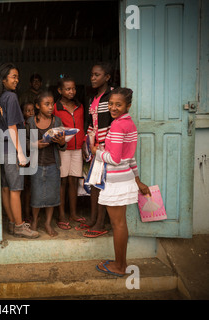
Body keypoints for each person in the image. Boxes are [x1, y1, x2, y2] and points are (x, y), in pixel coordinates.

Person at [92, 87, 151, 276]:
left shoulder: (118, 125)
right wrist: (137, 180)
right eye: (110, 104)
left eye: (118, 104)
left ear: (128, 106)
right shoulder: (129, 123)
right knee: (121, 224)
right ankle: (121, 263)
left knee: (118, 225)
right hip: (125, 179)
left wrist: (97, 152)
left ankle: (119, 266)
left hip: (116, 181)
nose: (113, 107)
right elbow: (130, 157)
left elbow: (116, 159)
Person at [0, 63, 39, 239]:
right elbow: (12, 126)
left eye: (17, 76)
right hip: (12, 148)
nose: (17, 80)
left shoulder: (0, 98)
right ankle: (20, 226)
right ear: (4, 79)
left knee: (6, 188)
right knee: (16, 189)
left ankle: (12, 223)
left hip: (2, 147)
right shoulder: (12, 97)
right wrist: (20, 153)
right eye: (13, 76)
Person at [78, 62, 115, 238]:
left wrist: (104, 146)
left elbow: (113, 123)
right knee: (93, 185)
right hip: (94, 149)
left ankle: (101, 223)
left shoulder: (112, 96)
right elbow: (91, 124)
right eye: (92, 74)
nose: (92, 78)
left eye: (97, 75)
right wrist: (89, 146)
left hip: (105, 149)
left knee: (101, 186)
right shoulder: (93, 99)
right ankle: (93, 219)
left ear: (107, 77)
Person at [25, 91, 67, 237]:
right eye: (46, 104)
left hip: (52, 163)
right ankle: (35, 221)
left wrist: (62, 142)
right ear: (38, 105)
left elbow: (63, 147)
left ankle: (48, 223)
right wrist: (35, 144)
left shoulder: (57, 122)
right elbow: (24, 143)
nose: (50, 107)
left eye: (52, 104)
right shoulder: (31, 122)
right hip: (36, 165)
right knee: (36, 195)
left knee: (52, 196)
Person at [53, 76, 85, 230]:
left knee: (74, 180)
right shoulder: (55, 108)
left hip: (78, 149)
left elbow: (83, 125)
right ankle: (61, 215)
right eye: (67, 89)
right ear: (60, 90)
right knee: (62, 181)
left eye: (73, 88)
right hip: (63, 149)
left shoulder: (80, 106)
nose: (72, 91)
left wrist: (84, 145)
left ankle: (73, 213)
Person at [20, 102, 35, 223]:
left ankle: (30, 213)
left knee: (32, 187)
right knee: (26, 188)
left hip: (33, 158)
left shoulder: (35, 123)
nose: (30, 113)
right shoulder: (21, 125)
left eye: (32, 110)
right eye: (27, 110)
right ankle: (26, 213)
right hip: (25, 159)